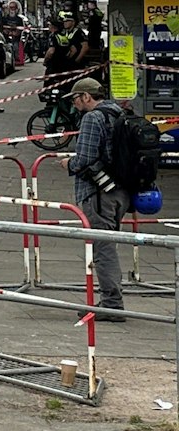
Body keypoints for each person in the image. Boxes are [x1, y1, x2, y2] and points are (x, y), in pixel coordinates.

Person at [64, 78, 129, 321]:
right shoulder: (119, 112)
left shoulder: (92, 118)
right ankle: (112, 300)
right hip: (121, 190)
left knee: (103, 248)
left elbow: (85, 159)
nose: (74, 103)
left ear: (86, 97)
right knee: (108, 244)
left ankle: (112, 304)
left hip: (99, 193)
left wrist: (68, 163)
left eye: (75, 98)